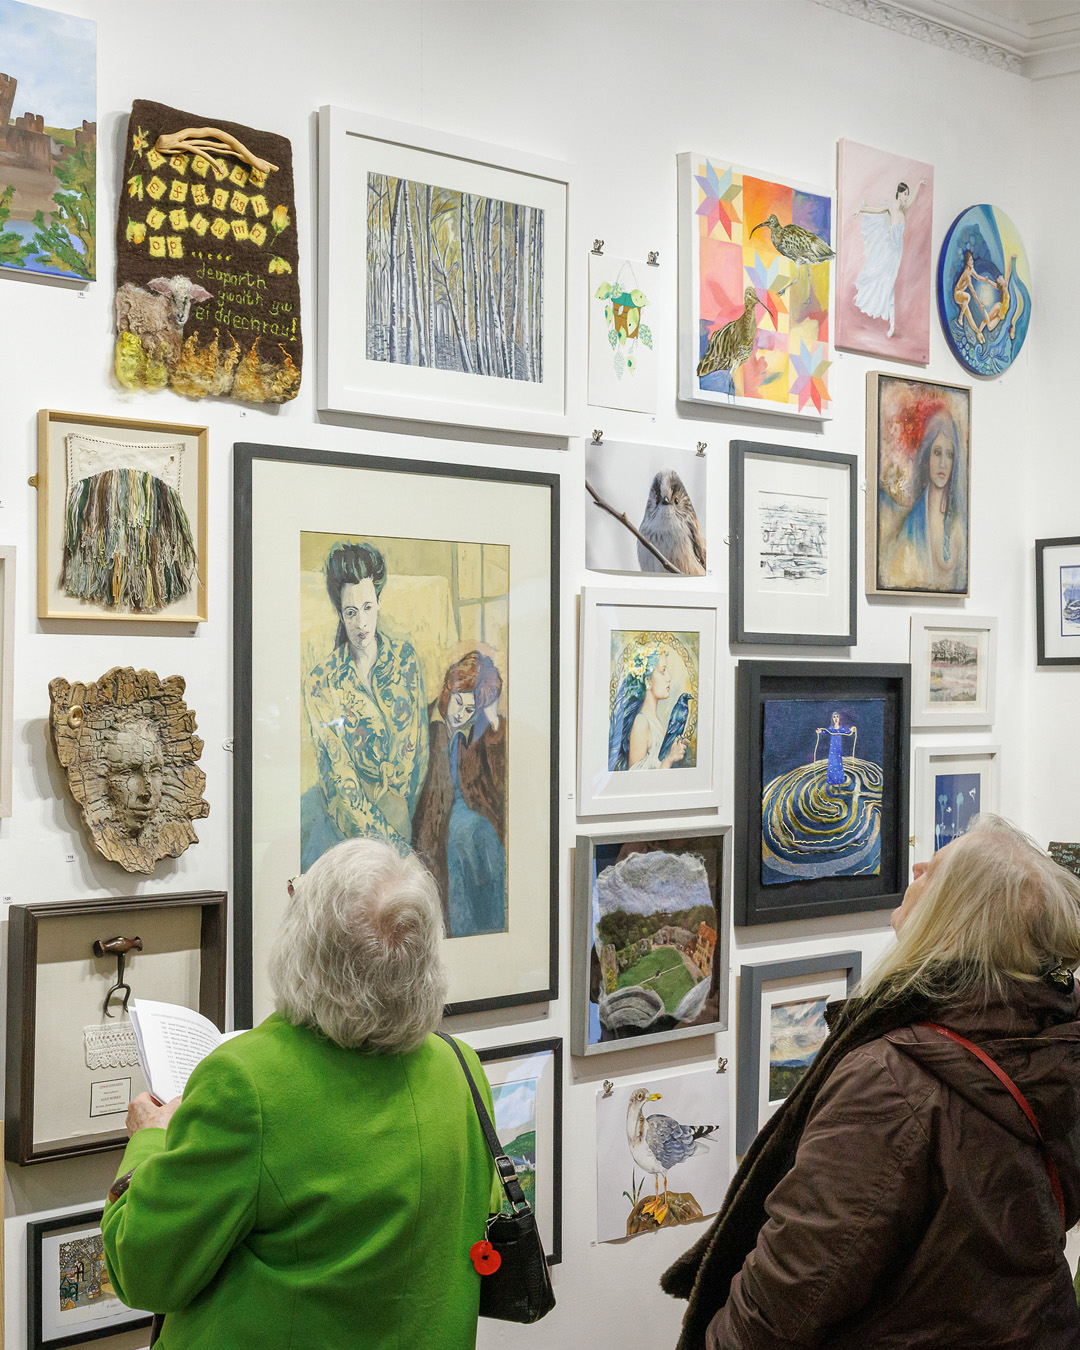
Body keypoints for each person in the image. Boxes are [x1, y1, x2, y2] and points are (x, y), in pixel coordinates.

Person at [663, 814, 1080, 1349]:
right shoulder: (1052, 1045)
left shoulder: (891, 1082)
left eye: (937, 870)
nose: (917, 867)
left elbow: (788, 1293)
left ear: (956, 917)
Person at [101, 839, 499, 1350]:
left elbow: (143, 1271)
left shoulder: (245, 1084)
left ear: (303, 947)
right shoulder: (460, 1068)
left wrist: (149, 1140)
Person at [300, 540, 429, 869]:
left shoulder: (405, 660)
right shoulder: (321, 682)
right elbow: (340, 778)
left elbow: (416, 751)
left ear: (379, 603)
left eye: (368, 607)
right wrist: (396, 849)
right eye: (351, 612)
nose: (361, 623)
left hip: (400, 808)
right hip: (343, 818)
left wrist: (399, 809)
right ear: (340, 615)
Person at [412, 650, 507, 938]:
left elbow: (498, 783)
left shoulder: (478, 731)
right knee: (457, 843)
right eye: (459, 702)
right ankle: (464, 933)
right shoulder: (423, 723)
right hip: (434, 816)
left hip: (471, 811)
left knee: (485, 837)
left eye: (470, 710)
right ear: (448, 691)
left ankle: (492, 929)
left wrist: (493, 722)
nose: (460, 714)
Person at [881, 409, 967, 592]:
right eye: (937, 452)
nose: (943, 463)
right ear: (927, 456)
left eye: (949, 454)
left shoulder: (959, 521)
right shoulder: (914, 520)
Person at [853, 178, 926, 338]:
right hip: (889, 252)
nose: (906, 197)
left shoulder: (903, 211)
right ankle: (892, 324)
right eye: (905, 194)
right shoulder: (890, 208)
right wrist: (862, 210)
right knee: (885, 282)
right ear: (899, 194)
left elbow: (913, 201)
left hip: (897, 254)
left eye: (907, 194)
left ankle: (892, 324)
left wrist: (919, 185)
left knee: (890, 283)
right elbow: (876, 210)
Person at [607, 642, 688, 772]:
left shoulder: (657, 723)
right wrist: (670, 759)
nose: (669, 678)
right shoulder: (641, 722)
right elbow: (635, 778)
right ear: (648, 681)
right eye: (663, 671)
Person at [816, 710, 855, 795]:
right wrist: (820, 732)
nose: (836, 718)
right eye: (834, 717)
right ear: (832, 719)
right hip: (832, 750)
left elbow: (847, 731)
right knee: (832, 764)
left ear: (839, 718)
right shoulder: (831, 729)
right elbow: (825, 731)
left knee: (839, 765)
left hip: (838, 750)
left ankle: (839, 784)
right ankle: (833, 785)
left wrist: (852, 729)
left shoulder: (841, 728)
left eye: (837, 717)